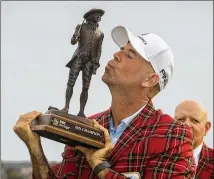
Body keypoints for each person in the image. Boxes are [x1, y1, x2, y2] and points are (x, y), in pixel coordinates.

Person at [14, 26, 196, 179]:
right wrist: (34, 147)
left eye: (130, 54)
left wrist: (100, 166)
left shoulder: (175, 135)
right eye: (121, 49)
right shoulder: (86, 125)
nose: (117, 54)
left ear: (150, 80)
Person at [61, 8, 105, 117]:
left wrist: (96, 63)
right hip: (79, 58)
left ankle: (81, 111)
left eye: (100, 16)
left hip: (90, 62)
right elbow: (73, 42)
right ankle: (66, 107)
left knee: (86, 87)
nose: (99, 17)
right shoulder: (81, 27)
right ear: (90, 16)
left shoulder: (100, 33)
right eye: (97, 15)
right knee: (71, 83)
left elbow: (99, 49)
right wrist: (76, 33)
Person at [175, 100, 214, 179]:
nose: (186, 125)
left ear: (206, 128)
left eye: (194, 120)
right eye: (181, 119)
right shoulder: (156, 158)